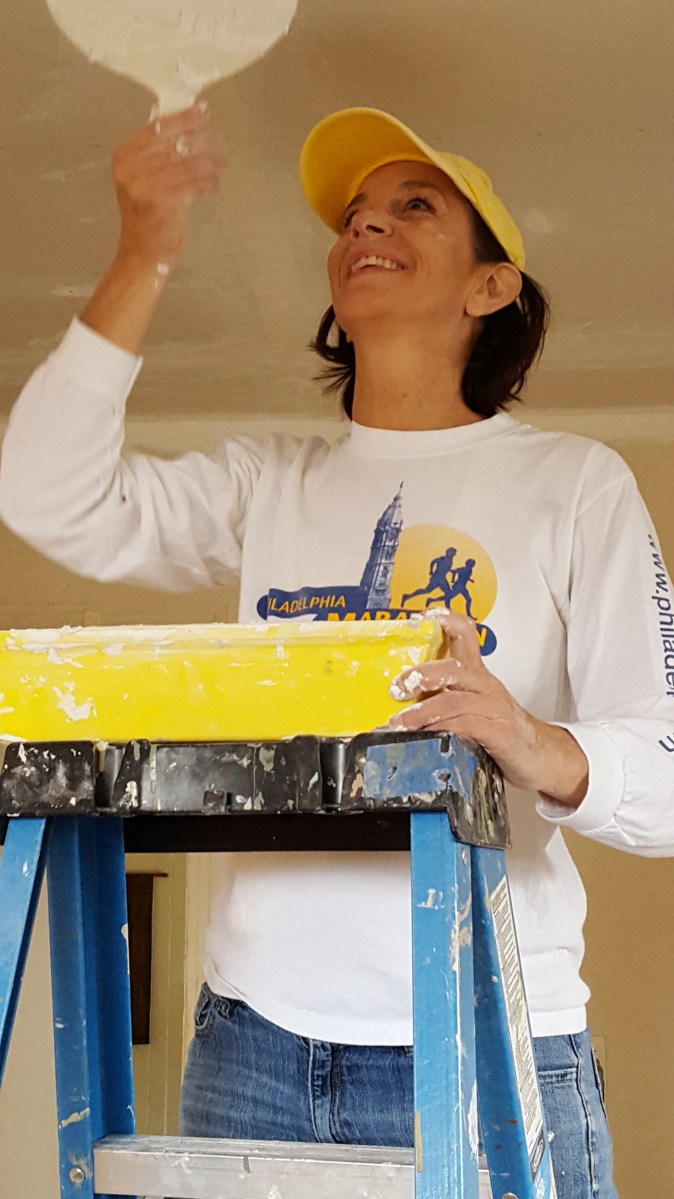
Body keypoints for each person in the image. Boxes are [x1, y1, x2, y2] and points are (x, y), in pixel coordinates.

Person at [1, 102, 673, 1199]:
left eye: (414, 206)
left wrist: (526, 737)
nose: (366, 223)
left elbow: (666, 776)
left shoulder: (574, 483)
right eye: (355, 213)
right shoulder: (272, 484)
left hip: (491, 1034)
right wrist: (142, 254)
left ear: (490, 285)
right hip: (255, 1044)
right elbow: (41, 491)